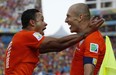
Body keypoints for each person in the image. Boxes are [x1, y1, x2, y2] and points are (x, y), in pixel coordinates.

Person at [4, 9, 104, 75]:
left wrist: (83, 34)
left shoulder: (22, 39)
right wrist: (87, 31)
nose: (45, 23)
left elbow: (58, 47)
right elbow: (58, 43)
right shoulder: (26, 35)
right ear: (32, 22)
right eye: (42, 20)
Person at [65, 3, 106, 75]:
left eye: (68, 16)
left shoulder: (93, 38)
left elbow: (89, 73)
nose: (66, 20)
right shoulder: (83, 36)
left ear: (80, 17)